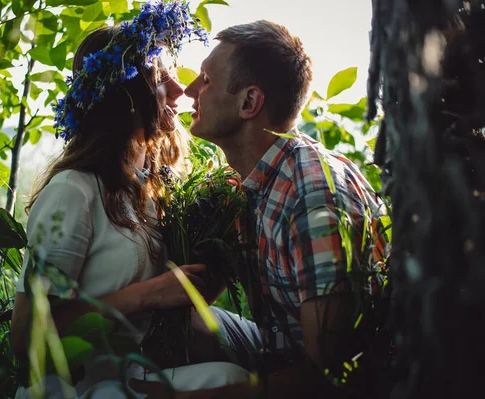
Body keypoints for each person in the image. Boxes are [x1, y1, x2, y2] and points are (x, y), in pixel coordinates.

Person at [131, 20, 389, 398]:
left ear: (249, 102)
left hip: (332, 378)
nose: (188, 91)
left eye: (205, 79)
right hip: (277, 348)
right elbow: (197, 291)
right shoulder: (250, 180)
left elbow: (333, 376)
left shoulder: (312, 197)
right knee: (166, 325)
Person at [10, 3, 251, 398]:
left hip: (129, 375)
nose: (179, 90)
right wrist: (150, 293)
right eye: (161, 80)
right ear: (124, 98)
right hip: (74, 389)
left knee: (235, 377)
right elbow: (25, 337)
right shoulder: (74, 191)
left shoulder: (148, 190)